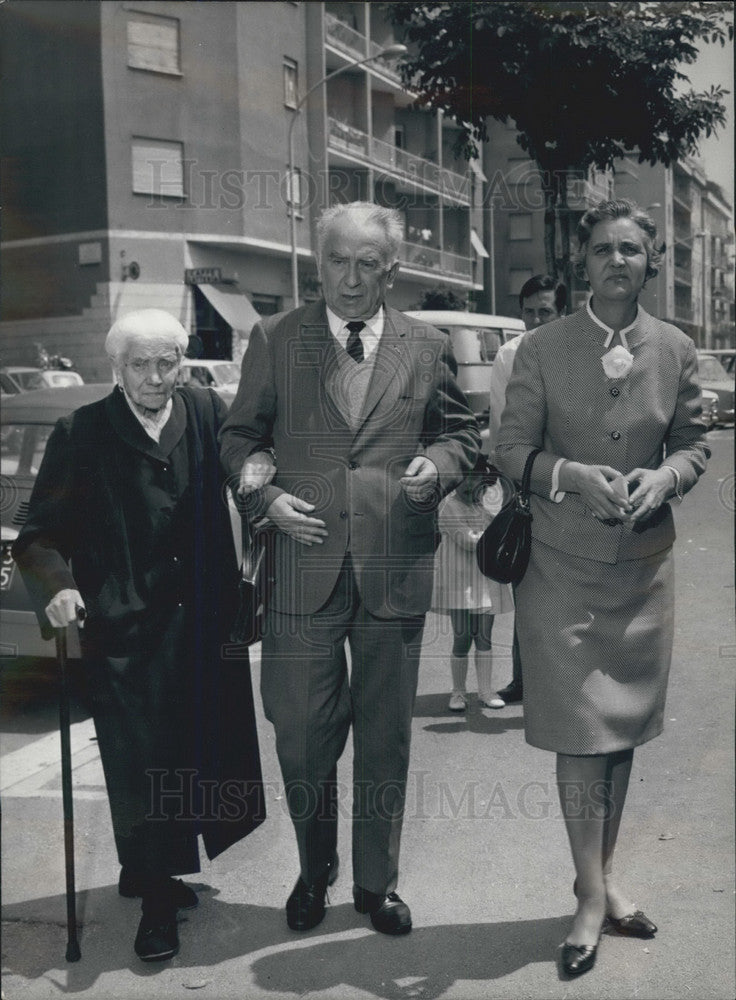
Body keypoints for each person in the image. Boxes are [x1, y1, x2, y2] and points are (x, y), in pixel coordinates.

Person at [220, 201, 479, 936]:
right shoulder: (275, 337)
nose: (353, 278)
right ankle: (313, 868)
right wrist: (265, 497)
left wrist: (442, 463)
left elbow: (459, 434)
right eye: (340, 260)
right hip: (301, 564)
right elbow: (237, 436)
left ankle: (377, 883)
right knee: (301, 733)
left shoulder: (426, 345)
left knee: (385, 735)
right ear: (318, 261)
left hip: (392, 566)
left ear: (391, 270)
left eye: (371, 263)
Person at [12, 310, 267, 963]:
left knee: (198, 749)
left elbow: (252, 462)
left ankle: (148, 867)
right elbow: (39, 536)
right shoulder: (84, 432)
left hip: (202, 623)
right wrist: (60, 586)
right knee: (144, 762)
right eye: (141, 365)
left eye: (167, 363)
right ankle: (156, 897)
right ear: (116, 369)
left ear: (181, 363)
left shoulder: (207, 410)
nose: (156, 377)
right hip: (126, 628)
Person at [495, 199, 709, 977]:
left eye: (631, 249)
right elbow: (507, 448)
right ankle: (590, 895)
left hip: (642, 570)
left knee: (619, 741)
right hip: (559, 567)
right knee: (583, 735)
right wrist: (568, 474)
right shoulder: (543, 348)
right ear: (580, 261)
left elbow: (692, 444)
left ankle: (603, 879)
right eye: (602, 249)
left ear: (651, 262)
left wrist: (667, 476)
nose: (617, 260)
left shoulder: (678, 348)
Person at [488, 274, 567, 705]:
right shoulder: (509, 355)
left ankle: (567, 680)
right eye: (529, 311)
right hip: (527, 486)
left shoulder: (580, 352)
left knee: (571, 586)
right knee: (525, 583)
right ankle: (524, 679)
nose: (536, 319)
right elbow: (502, 427)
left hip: (574, 484)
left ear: (561, 313)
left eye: (546, 311)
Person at [431, 456, 514, 711]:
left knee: (484, 637)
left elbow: (498, 527)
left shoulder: (481, 508)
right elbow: (468, 541)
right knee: (462, 637)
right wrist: (493, 536)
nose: (471, 482)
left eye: (477, 477)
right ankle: (458, 692)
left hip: (483, 581)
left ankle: (486, 691)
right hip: (459, 583)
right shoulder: (449, 507)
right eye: (466, 477)